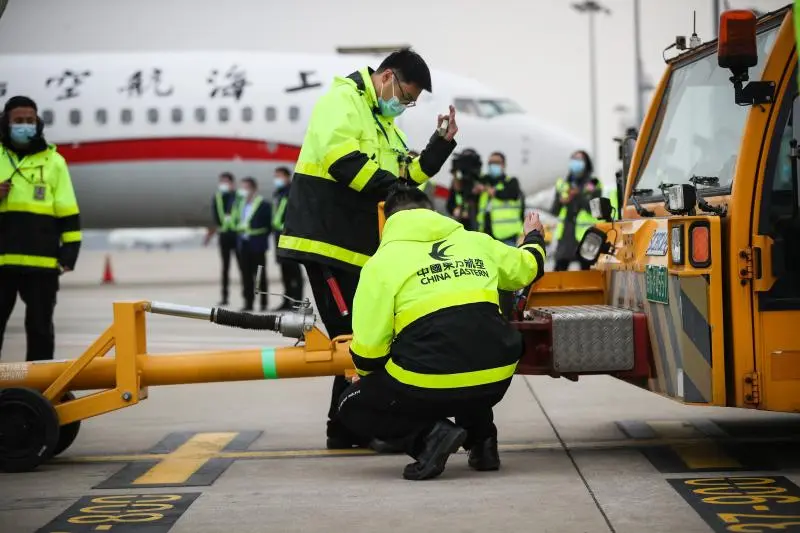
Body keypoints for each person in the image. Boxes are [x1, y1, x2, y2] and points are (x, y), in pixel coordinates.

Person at [276, 49, 459, 450]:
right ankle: (369, 426)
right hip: (326, 243)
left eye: (411, 103)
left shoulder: (383, 123)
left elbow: (407, 177)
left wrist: (439, 146)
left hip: (356, 248)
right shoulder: (342, 101)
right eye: (405, 96)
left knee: (357, 337)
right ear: (387, 77)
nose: (404, 105)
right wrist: (395, 189)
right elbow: (342, 160)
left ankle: (344, 429)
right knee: (353, 338)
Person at [337, 183, 546, 480]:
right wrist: (534, 236)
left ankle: (429, 438)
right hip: (495, 374)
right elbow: (528, 267)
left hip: (432, 378)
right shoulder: (476, 242)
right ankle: (484, 442)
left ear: (389, 220)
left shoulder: (380, 264)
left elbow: (370, 350)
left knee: (352, 404)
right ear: (432, 212)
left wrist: (368, 377)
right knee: (467, 348)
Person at [0, 95, 81, 361]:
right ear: (6, 124)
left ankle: (39, 391)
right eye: (18, 121)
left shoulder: (54, 162)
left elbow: (67, 210)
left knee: (40, 330)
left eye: (30, 121)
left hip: (42, 263)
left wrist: (69, 253)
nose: (25, 126)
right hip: (2, 262)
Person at [550, 150, 603, 271]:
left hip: (585, 235)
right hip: (566, 234)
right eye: (573, 159)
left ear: (586, 163)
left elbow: (594, 209)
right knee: (559, 269)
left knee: (587, 271)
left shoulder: (593, 183)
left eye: (579, 160)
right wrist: (561, 201)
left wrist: (577, 195)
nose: (575, 163)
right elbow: (554, 211)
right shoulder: (563, 184)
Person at [235, 177, 271, 312]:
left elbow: (268, 226)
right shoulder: (239, 205)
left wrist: (258, 236)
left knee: (260, 275)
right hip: (243, 245)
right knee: (245, 275)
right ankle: (248, 303)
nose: (243, 190)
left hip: (258, 246)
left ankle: (263, 303)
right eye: (242, 187)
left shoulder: (263, 205)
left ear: (253, 189)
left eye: (246, 187)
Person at [204, 172, 240, 306]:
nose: (223, 184)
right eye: (222, 181)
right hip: (224, 236)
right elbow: (216, 216)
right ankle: (225, 297)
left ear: (232, 183)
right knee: (225, 268)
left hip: (237, 235)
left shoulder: (238, 197)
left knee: (243, 268)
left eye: (226, 181)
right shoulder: (217, 197)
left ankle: (247, 298)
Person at [271, 166, 303, 310]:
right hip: (279, 235)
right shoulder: (278, 193)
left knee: (293, 270)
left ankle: (297, 301)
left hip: (290, 235)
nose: (277, 179)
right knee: (284, 270)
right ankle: (287, 300)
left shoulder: (293, 192)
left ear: (287, 177)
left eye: (279, 176)